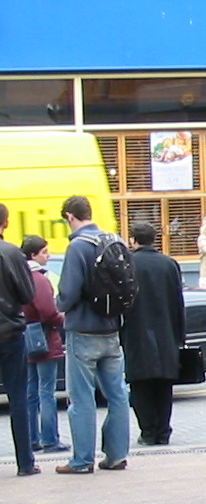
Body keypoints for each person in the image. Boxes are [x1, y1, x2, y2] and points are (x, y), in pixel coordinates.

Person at [55, 194, 132, 475]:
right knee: (117, 394)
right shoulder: (113, 240)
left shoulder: (78, 247)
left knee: (82, 397)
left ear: (69, 217)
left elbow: (69, 291)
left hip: (83, 330)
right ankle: (116, 455)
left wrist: (60, 305)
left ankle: (82, 460)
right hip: (112, 330)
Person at [121, 221, 186, 446]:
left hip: (136, 331)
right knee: (164, 384)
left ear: (133, 240)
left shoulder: (128, 263)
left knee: (140, 384)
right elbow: (178, 302)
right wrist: (180, 335)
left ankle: (148, 431)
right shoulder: (169, 264)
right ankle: (163, 430)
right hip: (165, 331)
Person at [0, 205, 40, 476]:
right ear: (5, 223)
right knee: (19, 398)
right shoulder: (12, 253)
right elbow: (27, 294)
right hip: (10, 334)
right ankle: (25, 462)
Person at [19, 235, 66, 456]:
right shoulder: (39, 279)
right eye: (45, 252)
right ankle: (50, 439)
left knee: (30, 392)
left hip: (26, 337)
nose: (48, 256)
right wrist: (61, 319)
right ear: (33, 255)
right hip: (45, 338)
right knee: (46, 391)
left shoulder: (18, 276)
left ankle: (32, 439)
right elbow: (48, 311)